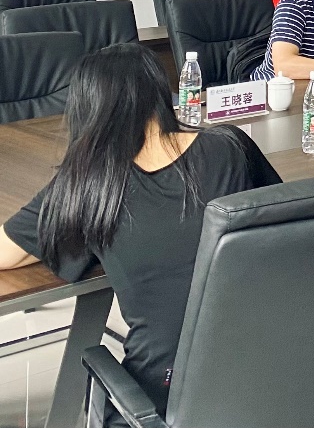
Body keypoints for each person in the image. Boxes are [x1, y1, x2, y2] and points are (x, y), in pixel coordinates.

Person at [0, 45, 281, 428]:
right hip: (269, 377)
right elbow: (282, 219)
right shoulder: (229, 145)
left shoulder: (87, 184)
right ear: (158, 93)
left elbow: (6, 254)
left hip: (162, 401)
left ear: (87, 109)